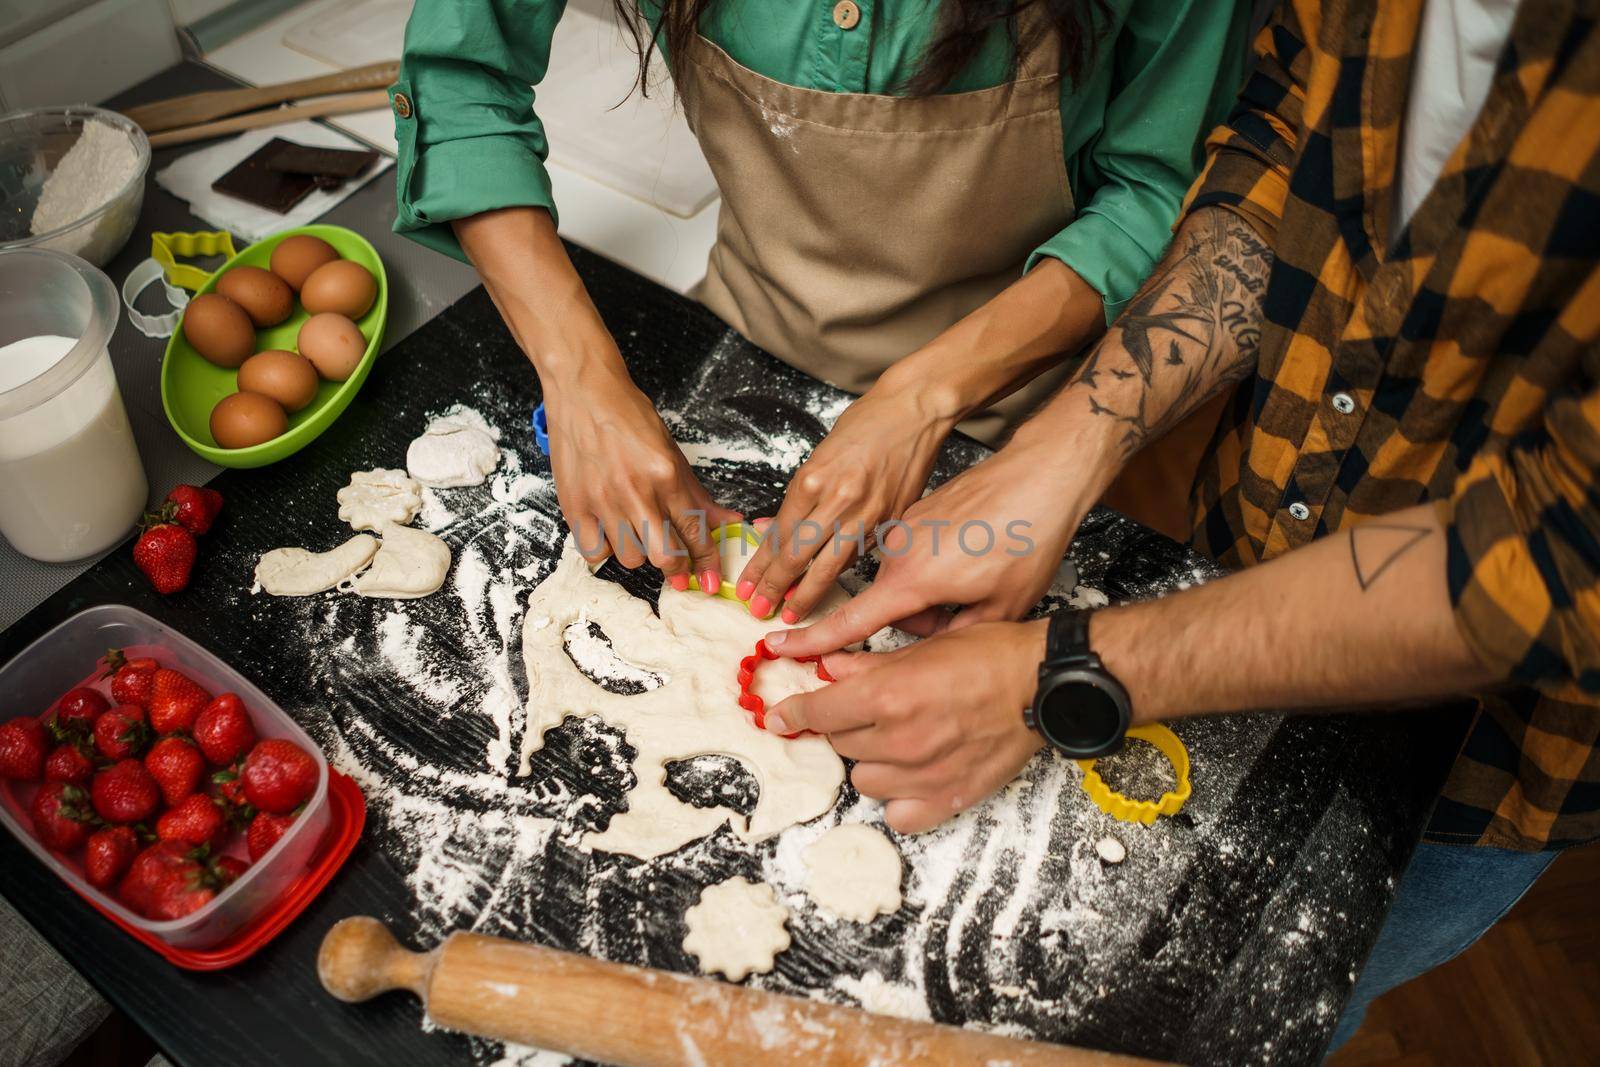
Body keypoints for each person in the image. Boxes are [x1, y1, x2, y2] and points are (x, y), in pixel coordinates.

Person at [762, 0, 1600, 1047]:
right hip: (1228, 550)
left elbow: (1563, 553)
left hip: (1485, 753)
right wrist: (1072, 440)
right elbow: (1282, 145)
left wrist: (1056, 672)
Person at [392, 0, 1250, 613]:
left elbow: (1159, 186)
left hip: (1044, 406)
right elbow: (462, 77)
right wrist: (578, 375)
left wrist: (923, 396)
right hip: (740, 328)